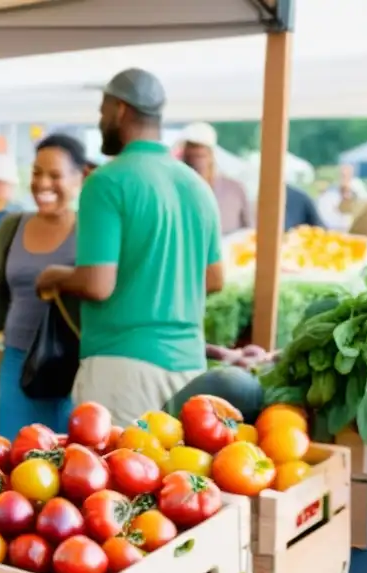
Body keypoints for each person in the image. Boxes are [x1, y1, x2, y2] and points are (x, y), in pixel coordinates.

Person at [34, 68, 224, 425]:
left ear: (120, 110)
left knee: (116, 476)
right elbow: (214, 279)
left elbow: (97, 284)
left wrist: (55, 275)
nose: (101, 120)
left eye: (102, 111)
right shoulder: (197, 186)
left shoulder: (106, 182)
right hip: (189, 368)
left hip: (121, 370)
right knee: (176, 478)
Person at [0, 134, 86, 436]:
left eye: (55, 175)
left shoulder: (88, 231)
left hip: (67, 366)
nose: (43, 184)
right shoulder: (13, 226)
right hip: (16, 361)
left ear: (78, 179)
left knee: (64, 459)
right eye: (37, 173)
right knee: (15, 451)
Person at [180, 122, 254, 234]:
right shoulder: (177, 192)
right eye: (190, 157)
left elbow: (250, 231)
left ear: (211, 156)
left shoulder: (234, 190)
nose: (196, 163)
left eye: (201, 156)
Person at [317, 164, 367, 231]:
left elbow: (366, 204)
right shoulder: (330, 193)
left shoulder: (359, 188)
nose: (344, 176)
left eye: (347, 174)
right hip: (334, 228)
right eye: (343, 174)